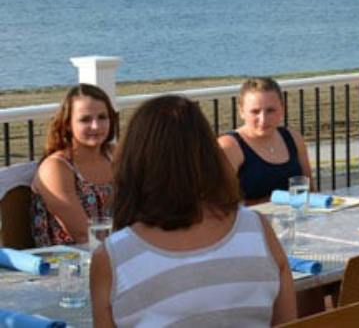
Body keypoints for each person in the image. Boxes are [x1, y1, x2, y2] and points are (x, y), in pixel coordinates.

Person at [90, 95, 295, 326]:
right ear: (209, 154)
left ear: (133, 163)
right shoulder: (257, 230)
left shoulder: (115, 258)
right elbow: (288, 321)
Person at [30, 84, 117, 247]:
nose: (96, 126)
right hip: (66, 263)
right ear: (68, 124)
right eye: (85, 119)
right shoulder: (56, 167)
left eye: (102, 117)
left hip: (114, 251)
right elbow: (82, 233)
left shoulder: (115, 155)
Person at [218, 78, 313, 204]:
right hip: (251, 222)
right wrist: (278, 201)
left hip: (297, 220)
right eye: (255, 112)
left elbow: (311, 191)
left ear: (282, 109)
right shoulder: (229, 146)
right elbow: (220, 203)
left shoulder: (293, 138)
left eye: (270, 110)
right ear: (241, 111)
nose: (263, 119)